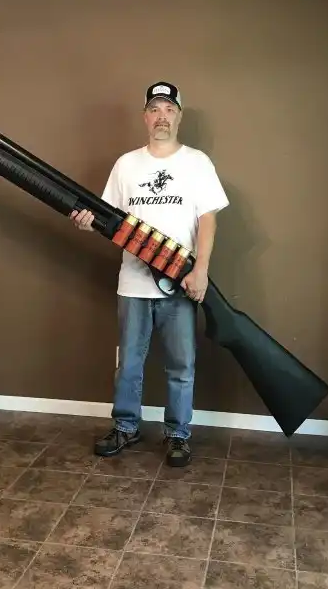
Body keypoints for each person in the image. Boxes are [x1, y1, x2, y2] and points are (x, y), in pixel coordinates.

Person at [70, 81, 229, 467]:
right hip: (133, 282)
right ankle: (125, 426)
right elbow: (106, 218)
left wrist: (201, 271)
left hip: (181, 282)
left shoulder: (197, 162)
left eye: (169, 109)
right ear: (145, 117)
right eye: (155, 109)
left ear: (179, 116)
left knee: (181, 366)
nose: (162, 116)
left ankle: (178, 434)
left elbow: (208, 220)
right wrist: (87, 222)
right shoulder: (126, 164)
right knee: (129, 364)